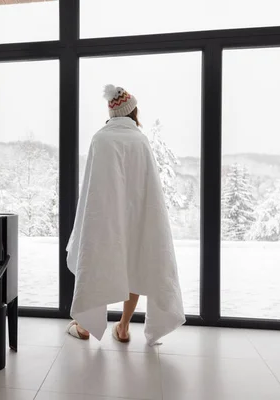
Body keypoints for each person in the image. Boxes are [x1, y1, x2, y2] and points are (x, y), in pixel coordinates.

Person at [65, 85, 185, 344]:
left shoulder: (100, 139)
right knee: (135, 265)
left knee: (97, 264)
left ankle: (85, 327)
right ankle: (123, 327)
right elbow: (148, 187)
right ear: (132, 112)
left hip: (104, 220)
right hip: (137, 219)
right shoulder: (140, 139)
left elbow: (91, 189)